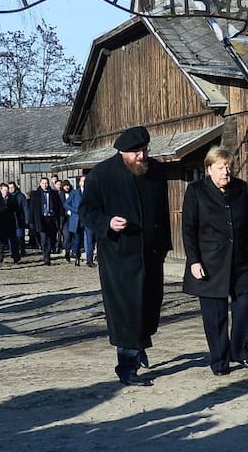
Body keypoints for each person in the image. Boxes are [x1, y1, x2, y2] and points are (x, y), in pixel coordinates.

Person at [79, 125, 172, 386]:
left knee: (149, 307)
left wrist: (164, 245)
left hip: (151, 254)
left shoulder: (156, 171)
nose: (142, 156)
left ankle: (139, 346)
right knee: (126, 311)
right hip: (119, 255)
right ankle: (127, 367)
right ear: (122, 152)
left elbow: (162, 210)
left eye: (145, 150)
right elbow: (87, 211)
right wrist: (107, 223)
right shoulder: (102, 175)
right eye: (136, 153)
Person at [182, 146, 248, 376]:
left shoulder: (239, 188)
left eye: (228, 167)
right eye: (220, 168)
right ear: (209, 169)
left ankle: (240, 352)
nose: (226, 172)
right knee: (215, 315)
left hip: (239, 261)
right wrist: (194, 261)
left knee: (243, 308)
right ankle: (219, 360)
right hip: (210, 263)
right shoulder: (196, 190)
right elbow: (188, 229)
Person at [29, 177, 61, 266]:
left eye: (46, 183)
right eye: (43, 183)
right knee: (43, 239)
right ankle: (46, 256)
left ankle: (48, 254)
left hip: (51, 218)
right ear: (40, 184)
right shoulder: (35, 194)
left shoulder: (53, 193)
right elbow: (32, 208)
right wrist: (31, 221)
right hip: (41, 219)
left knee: (50, 238)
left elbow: (58, 206)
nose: (45, 185)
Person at [0, 183, 21, 265]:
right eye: (4, 190)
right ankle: (0, 258)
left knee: (13, 241)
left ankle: (16, 257)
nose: (6, 192)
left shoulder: (12, 198)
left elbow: (17, 210)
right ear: (1, 190)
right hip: (0, 224)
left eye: (7, 190)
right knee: (1, 242)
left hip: (11, 223)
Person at [64, 175, 85, 267]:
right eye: (83, 181)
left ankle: (89, 258)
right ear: (79, 183)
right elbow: (66, 204)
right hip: (77, 219)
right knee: (77, 239)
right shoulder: (75, 193)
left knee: (89, 239)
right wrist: (75, 210)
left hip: (88, 219)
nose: (84, 183)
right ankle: (77, 256)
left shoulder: (91, 192)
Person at [8, 181, 29, 255]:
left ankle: (22, 249)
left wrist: (27, 219)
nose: (11, 189)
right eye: (9, 188)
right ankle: (12, 251)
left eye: (12, 187)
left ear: (15, 187)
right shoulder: (7, 196)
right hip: (10, 219)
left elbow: (25, 208)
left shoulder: (20, 196)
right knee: (10, 237)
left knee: (20, 236)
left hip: (19, 219)